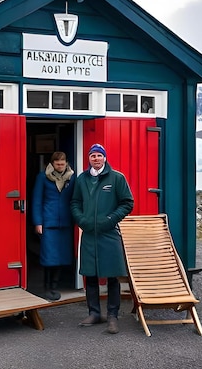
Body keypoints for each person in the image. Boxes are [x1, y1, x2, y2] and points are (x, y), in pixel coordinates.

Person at [70, 143, 134, 334]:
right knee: (90, 275)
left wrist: (110, 219)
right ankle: (95, 313)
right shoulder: (82, 179)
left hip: (109, 233)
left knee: (112, 276)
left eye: (99, 155)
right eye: (92, 156)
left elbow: (127, 203)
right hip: (89, 233)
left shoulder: (116, 178)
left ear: (105, 158)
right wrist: (81, 220)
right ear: (89, 159)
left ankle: (113, 316)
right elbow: (75, 202)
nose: (96, 159)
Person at [31, 151, 76, 301]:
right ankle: (47, 287)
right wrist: (38, 222)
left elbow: (75, 199)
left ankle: (55, 286)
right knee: (49, 256)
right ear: (52, 164)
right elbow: (37, 200)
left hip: (65, 222)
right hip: (48, 222)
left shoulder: (72, 177)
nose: (60, 167)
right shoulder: (42, 177)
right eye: (57, 164)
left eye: (62, 164)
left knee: (62, 256)